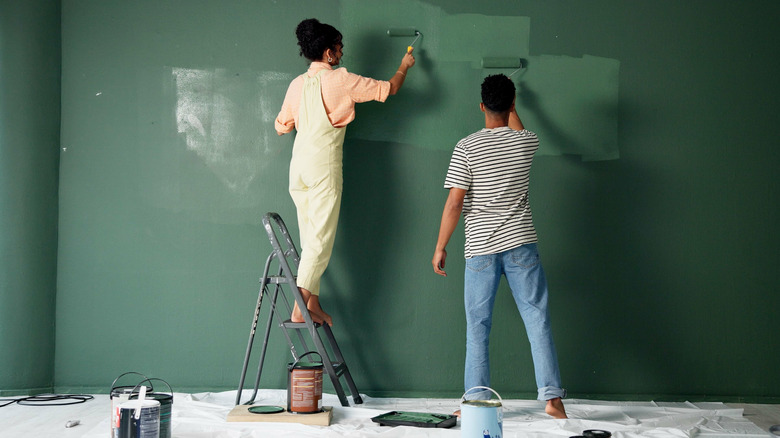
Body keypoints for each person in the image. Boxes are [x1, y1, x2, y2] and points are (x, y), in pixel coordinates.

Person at [431, 74, 567, 419]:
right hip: (522, 245)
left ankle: (476, 404)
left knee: (477, 329)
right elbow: (517, 130)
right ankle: (553, 401)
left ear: (480, 106)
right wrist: (513, 108)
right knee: (538, 320)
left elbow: (454, 204)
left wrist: (440, 246)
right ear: (511, 105)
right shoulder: (526, 142)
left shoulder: (466, 146)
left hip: (480, 249)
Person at [276, 18, 415, 326]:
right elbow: (390, 88)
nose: (341, 53)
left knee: (311, 238)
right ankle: (300, 307)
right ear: (327, 53)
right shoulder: (341, 79)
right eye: (338, 48)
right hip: (324, 168)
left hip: (298, 169)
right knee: (319, 242)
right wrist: (404, 64)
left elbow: (281, 125)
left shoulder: (296, 84)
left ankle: (312, 304)